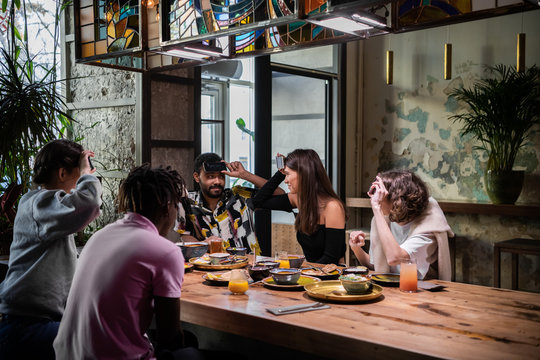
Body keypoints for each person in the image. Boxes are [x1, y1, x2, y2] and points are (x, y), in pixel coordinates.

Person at [54, 163, 206, 359]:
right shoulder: (165, 251)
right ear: (168, 206)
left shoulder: (100, 235)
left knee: (189, 341)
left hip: (66, 355)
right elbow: (170, 337)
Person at [0, 139, 102, 359]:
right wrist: (88, 176)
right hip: (27, 326)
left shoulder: (45, 204)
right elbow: (88, 204)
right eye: (79, 174)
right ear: (63, 173)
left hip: (36, 320)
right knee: (102, 342)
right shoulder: (39, 204)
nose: (81, 180)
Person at [349, 170, 453, 280]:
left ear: (396, 200)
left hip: (421, 292)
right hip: (393, 289)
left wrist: (376, 207)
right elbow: (376, 267)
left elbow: (394, 258)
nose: (374, 198)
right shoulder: (383, 219)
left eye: (380, 194)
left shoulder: (429, 226)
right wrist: (356, 248)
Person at [248, 149, 346, 265]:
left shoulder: (332, 207)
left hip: (330, 276)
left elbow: (331, 259)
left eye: (288, 174)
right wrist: (280, 173)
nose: (285, 180)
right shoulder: (299, 199)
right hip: (311, 273)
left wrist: (301, 271)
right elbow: (257, 202)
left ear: (304, 174)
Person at [176, 152, 284, 255]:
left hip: (248, 267)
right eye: (210, 176)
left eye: (221, 176)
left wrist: (245, 175)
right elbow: (185, 235)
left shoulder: (239, 197)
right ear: (196, 177)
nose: (217, 181)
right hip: (210, 269)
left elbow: (280, 194)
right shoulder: (186, 202)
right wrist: (203, 244)